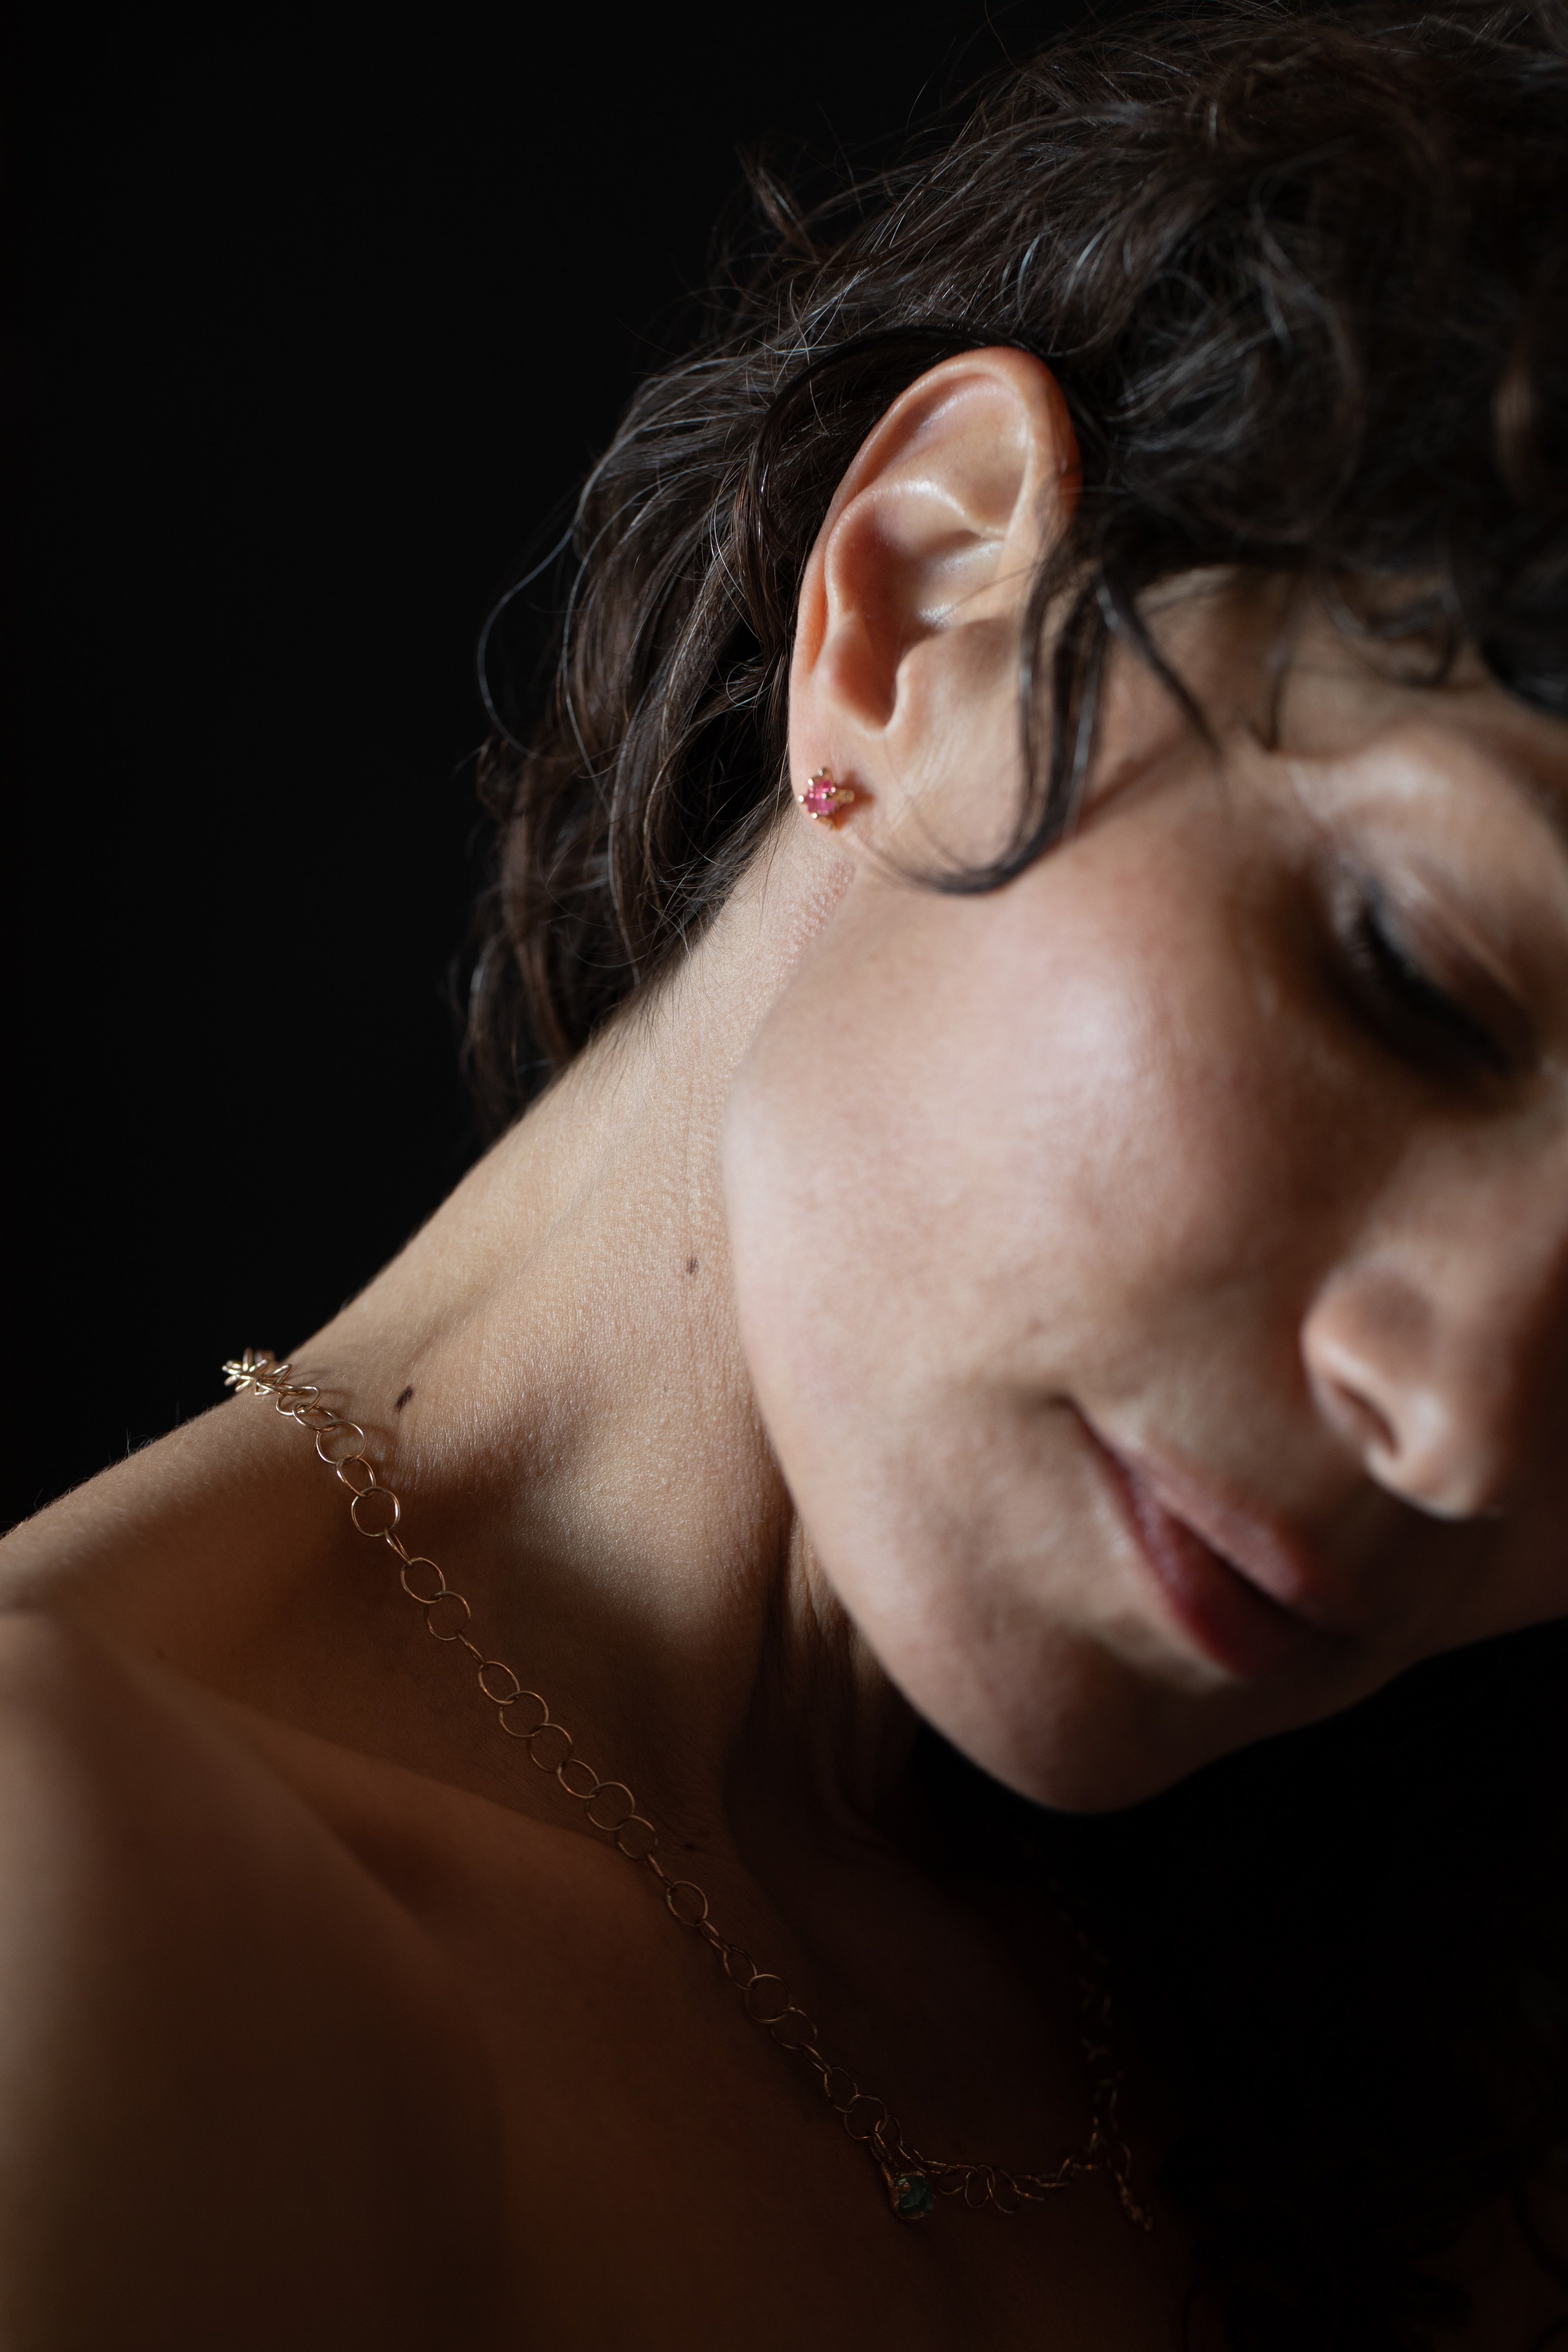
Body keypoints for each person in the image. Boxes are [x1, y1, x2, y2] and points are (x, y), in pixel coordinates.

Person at [6, 2, 1568, 2343]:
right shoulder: (78, 1921)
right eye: (1414, 979)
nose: (1468, 1427)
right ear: (922, 611)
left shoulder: (1412, 2031)